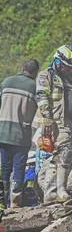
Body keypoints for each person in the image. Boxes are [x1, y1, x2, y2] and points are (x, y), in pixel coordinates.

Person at [0, 59, 40, 208]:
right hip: (21, 134)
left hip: (2, 132)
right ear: (35, 72)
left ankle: (2, 202)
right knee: (19, 168)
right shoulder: (34, 86)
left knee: (5, 169)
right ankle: (15, 202)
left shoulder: (7, 81)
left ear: (23, 68)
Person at [36, 45, 72, 202]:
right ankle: (60, 190)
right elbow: (41, 95)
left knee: (57, 156)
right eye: (65, 66)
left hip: (68, 121)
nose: (67, 69)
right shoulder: (46, 75)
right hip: (56, 122)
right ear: (57, 61)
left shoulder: (69, 76)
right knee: (64, 152)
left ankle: (51, 193)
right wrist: (47, 117)